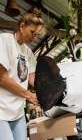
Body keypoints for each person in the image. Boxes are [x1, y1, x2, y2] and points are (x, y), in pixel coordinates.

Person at [0, 8, 45, 140]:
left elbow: (33, 78)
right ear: (22, 26)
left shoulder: (28, 52)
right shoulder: (4, 41)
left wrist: (48, 91)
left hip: (17, 112)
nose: (34, 37)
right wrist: (29, 95)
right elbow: (2, 79)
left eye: (37, 35)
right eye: (32, 32)